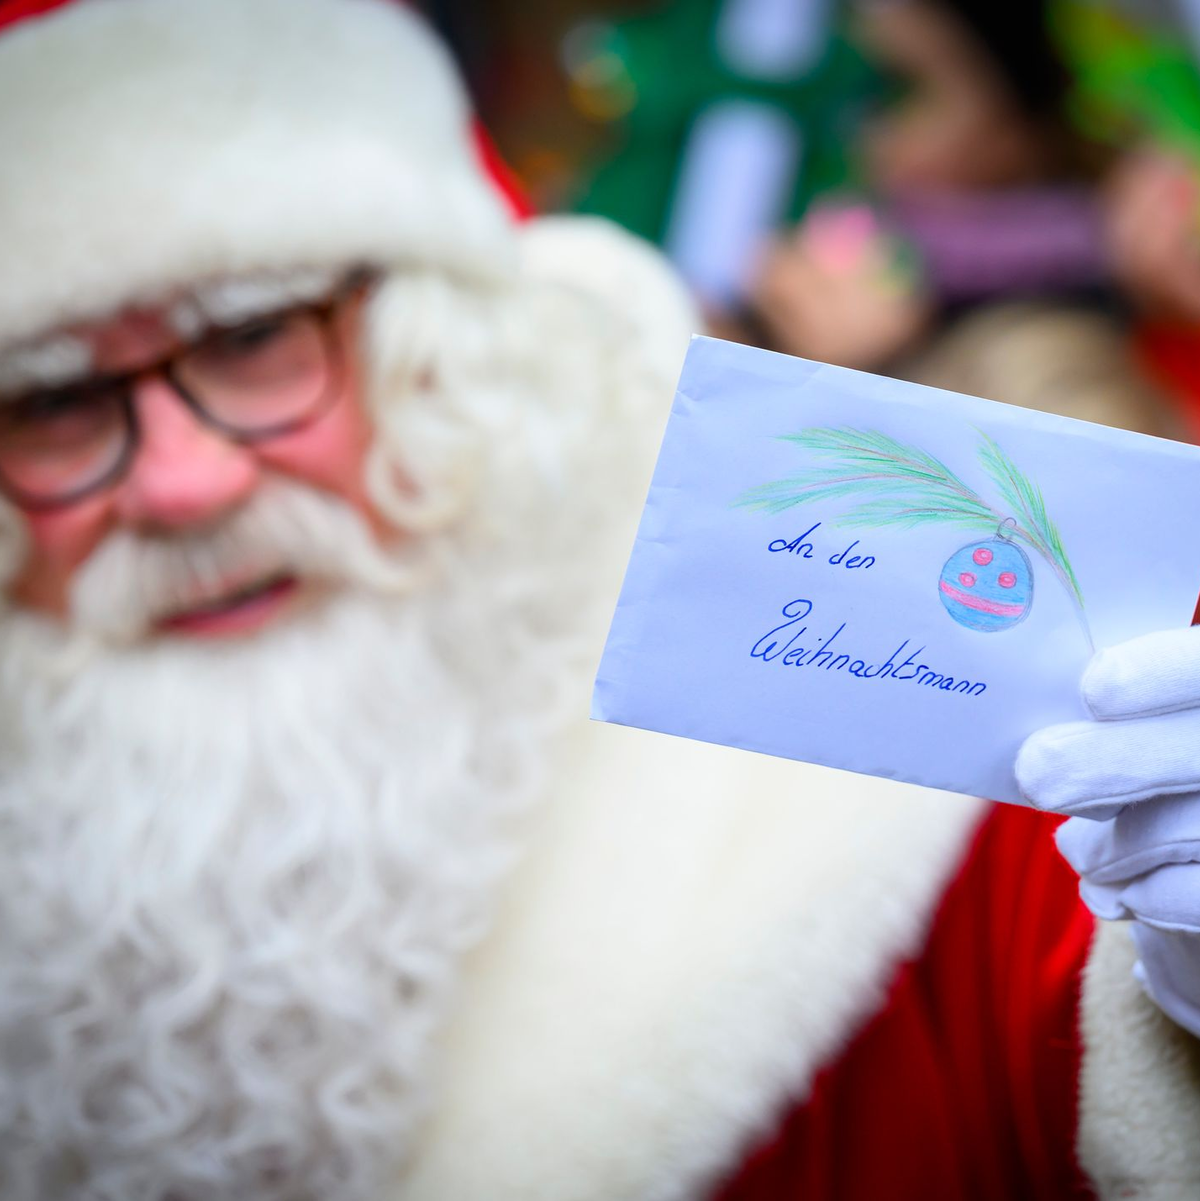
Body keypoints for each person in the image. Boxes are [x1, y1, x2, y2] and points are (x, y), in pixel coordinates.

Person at [0, 2, 1198, 1199]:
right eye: (52, 403)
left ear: (443, 352)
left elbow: (1060, 1005)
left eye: (253, 337)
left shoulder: (853, 782)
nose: (180, 484)